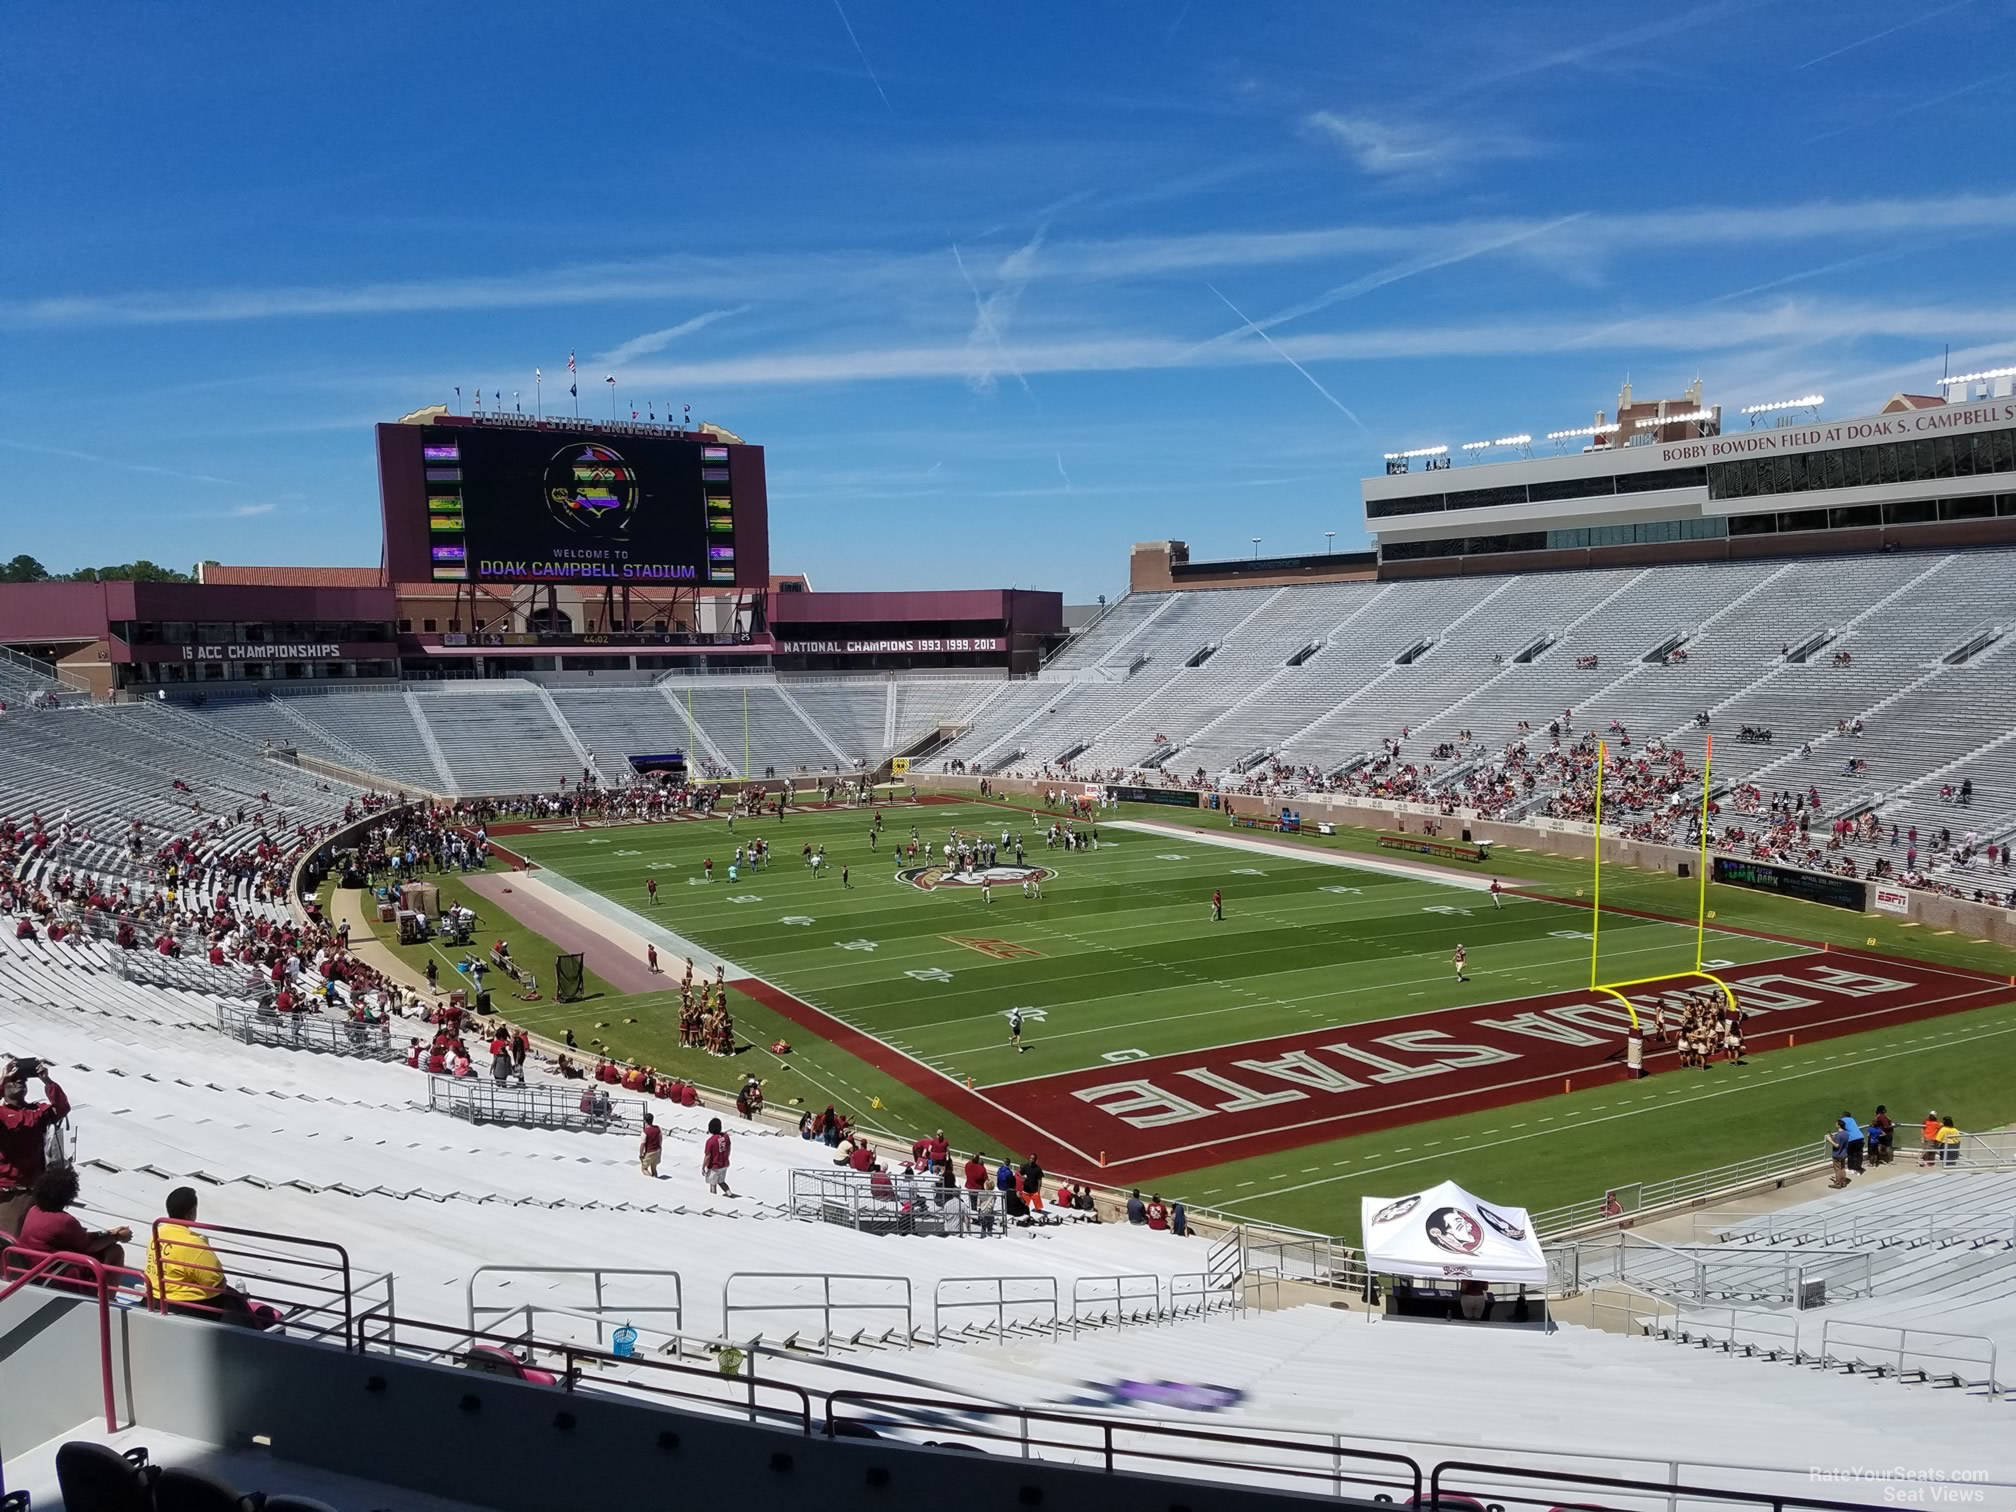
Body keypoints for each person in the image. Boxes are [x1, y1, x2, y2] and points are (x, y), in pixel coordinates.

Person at [145, 1188, 277, 1329]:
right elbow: (218, 1284)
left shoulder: (156, 1233)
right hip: (186, 1306)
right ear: (192, 1212)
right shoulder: (192, 1244)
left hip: (157, 1299)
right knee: (233, 1298)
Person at [17, 1163, 132, 1276]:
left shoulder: (33, 1211)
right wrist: (117, 1237)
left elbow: (81, 1238)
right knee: (115, 1251)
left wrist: (110, 1233)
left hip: (34, 1268)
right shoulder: (63, 1220)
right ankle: (107, 1294)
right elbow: (89, 1247)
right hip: (54, 1274)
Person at [0, 1058, 69, 1238]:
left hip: (33, 1191)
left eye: (23, 1079)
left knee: (30, 1241)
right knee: (8, 1242)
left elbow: (62, 1108)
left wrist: (47, 1081)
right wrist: (1, 1080)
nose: (20, 1081)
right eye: (14, 1079)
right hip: (7, 1193)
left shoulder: (36, 1111)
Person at [702, 1116, 735, 1196]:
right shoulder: (726, 1136)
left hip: (715, 1166)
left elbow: (708, 1156)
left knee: (713, 1184)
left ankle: (714, 1198)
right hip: (725, 1164)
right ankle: (729, 1193)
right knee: (721, 1181)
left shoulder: (710, 1141)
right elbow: (729, 1147)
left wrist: (703, 1166)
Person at [1827, 1119, 1850, 1188]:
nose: (1835, 1124)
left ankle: (1838, 1183)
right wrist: (1834, 1138)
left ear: (1839, 1125)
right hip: (1844, 1154)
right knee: (1842, 1168)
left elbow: (1837, 1145)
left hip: (1837, 1154)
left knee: (1838, 1169)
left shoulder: (1838, 1135)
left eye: (1836, 1123)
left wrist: (1829, 1140)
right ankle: (1843, 1182)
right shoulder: (1846, 1133)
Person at [640, 1111, 662, 1179]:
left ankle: (652, 1180)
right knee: (654, 1168)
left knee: (644, 1168)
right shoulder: (657, 1128)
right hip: (657, 1150)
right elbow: (660, 1139)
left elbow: (642, 1144)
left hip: (650, 1152)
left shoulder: (645, 1132)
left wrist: (641, 1154)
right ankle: (656, 1178)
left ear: (645, 1121)